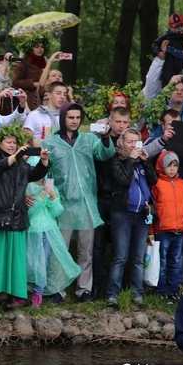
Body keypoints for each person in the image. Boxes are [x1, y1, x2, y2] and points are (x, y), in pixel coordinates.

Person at [0, 125, 50, 309]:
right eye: (8, 142)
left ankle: (5, 295)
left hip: (14, 218)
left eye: (14, 142)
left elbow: (35, 174)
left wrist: (43, 161)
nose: (12, 145)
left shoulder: (21, 163)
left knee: (8, 258)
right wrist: (14, 158)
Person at [42, 103, 115, 303]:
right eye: (70, 117)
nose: (74, 121)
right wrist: (48, 196)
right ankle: (57, 289)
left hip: (86, 203)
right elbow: (45, 171)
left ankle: (84, 289)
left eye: (77, 117)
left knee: (86, 249)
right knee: (60, 249)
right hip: (61, 203)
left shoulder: (89, 139)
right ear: (63, 117)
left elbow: (105, 154)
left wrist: (106, 136)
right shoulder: (50, 142)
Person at [105, 128, 157, 308]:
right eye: (130, 142)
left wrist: (146, 161)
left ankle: (137, 294)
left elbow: (153, 180)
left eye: (137, 142)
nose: (133, 145)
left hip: (142, 215)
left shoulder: (140, 161)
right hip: (122, 215)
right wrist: (132, 160)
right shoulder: (115, 160)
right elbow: (124, 180)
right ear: (122, 143)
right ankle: (112, 294)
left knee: (137, 257)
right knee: (120, 256)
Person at [91, 106, 131, 299]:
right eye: (118, 122)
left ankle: (119, 287)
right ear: (110, 121)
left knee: (119, 246)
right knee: (98, 244)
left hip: (122, 199)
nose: (121, 126)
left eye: (125, 122)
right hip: (101, 195)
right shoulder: (100, 137)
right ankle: (96, 286)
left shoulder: (131, 142)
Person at [24, 170, 80, 307]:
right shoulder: (27, 187)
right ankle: (23, 292)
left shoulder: (51, 187)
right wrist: (42, 197)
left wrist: (53, 199)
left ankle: (38, 294)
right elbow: (29, 212)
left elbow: (56, 212)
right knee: (29, 262)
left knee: (43, 263)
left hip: (48, 230)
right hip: (31, 230)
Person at [148, 152, 183, 302]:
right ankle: (161, 290)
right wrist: (151, 231)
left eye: (175, 165)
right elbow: (151, 208)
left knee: (175, 261)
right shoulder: (156, 184)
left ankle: (174, 290)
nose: (172, 169)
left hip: (180, 228)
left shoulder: (182, 184)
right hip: (162, 229)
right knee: (162, 262)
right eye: (169, 166)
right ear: (161, 166)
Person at [151, 12, 183, 85]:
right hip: (168, 67)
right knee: (167, 84)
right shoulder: (166, 36)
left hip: (182, 66)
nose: (180, 29)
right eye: (176, 27)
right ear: (170, 27)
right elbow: (155, 44)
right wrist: (159, 52)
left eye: (182, 26)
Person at [11, 33, 50, 109]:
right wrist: (33, 84)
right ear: (30, 48)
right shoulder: (23, 62)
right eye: (37, 47)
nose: (40, 49)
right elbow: (15, 81)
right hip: (29, 101)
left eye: (42, 47)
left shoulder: (45, 62)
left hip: (44, 99)